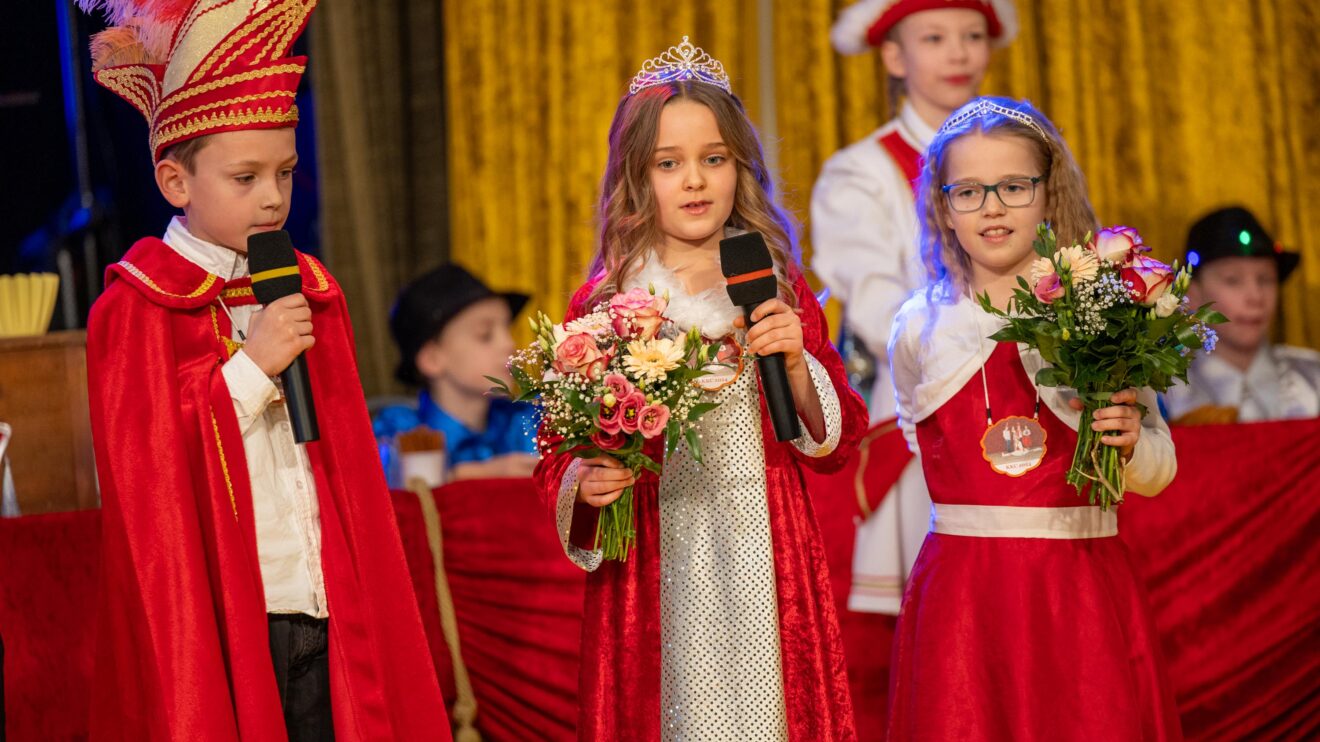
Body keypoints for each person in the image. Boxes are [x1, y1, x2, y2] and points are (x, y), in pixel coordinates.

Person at [79, 1, 448, 738]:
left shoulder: (309, 287)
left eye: (284, 171)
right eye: (245, 177)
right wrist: (249, 372)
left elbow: (346, 471)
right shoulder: (136, 308)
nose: (274, 196)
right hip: (232, 617)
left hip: (326, 600)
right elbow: (147, 486)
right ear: (175, 182)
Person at [533, 38, 867, 740]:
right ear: (636, 177)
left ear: (739, 169)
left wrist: (800, 365)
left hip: (766, 553)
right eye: (669, 164)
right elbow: (554, 454)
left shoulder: (773, 284)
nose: (695, 181)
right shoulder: (605, 303)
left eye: (713, 159)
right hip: (657, 556)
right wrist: (585, 483)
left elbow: (835, 445)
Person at [886, 97, 1182, 739]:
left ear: (1049, 193)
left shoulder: (1103, 313)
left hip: (1079, 592)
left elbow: (1158, 467)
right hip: (965, 604)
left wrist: (1130, 446)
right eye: (968, 191)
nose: (992, 207)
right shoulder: (920, 329)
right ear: (942, 206)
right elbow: (922, 436)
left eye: (1014, 186)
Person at [815, 0, 1019, 615]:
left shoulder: (1026, 157)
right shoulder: (861, 172)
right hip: (929, 404)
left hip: (1026, 393)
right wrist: (973, 347)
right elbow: (878, 306)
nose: (958, 52)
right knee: (945, 612)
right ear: (895, 56)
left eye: (972, 35)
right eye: (934, 37)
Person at [374, 264, 539, 482]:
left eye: (508, 330)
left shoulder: (528, 422)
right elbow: (393, 493)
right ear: (432, 359)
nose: (509, 344)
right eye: (485, 334)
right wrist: (476, 475)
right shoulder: (400, 432)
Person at [1162, 206, 1320, 423]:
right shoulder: (1164, 390)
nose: (1255, 297)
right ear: (1193, 294)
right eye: (1232, 280)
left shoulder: (1313, 380)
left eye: (1265, 279)